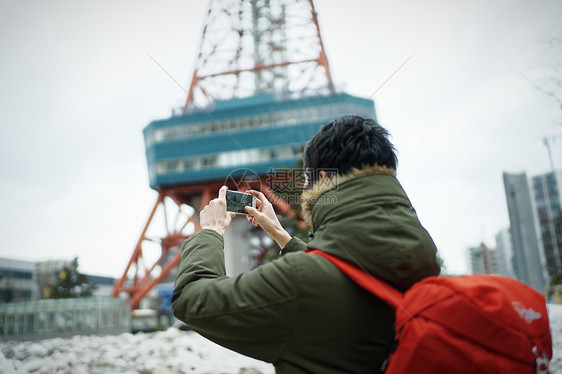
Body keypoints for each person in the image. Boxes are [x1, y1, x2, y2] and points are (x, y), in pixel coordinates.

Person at [172, 115, 441, 373]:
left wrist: (211, 230)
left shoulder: (299, 282)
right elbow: (344, 278)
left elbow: (191, 299)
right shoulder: (424, 262)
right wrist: (279, 233)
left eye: (306, 180)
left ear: (322, 179)